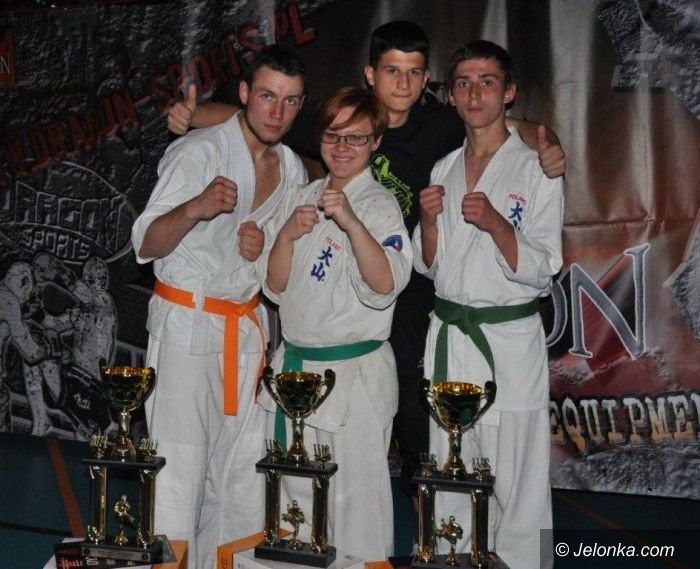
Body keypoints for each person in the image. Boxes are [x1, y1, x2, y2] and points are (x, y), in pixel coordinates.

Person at [166, 22, 566, 517]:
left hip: (415, 294)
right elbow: (258, 118)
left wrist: (545, 141)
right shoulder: (345, 119)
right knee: (378, 438)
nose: (403, 83)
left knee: (424, 424)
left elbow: (497, 120)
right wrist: (192, 115)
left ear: (427, 81)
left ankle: (425, 521)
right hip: (353, 297)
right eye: (392, 71)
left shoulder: (442, 123)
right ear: (371, 74)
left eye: (414, 72)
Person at [131, 45, 308, 569]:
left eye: (291, 101)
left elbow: (280, 265)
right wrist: (196, 207)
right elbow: (146, 242)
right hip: (188, 328)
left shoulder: (292, 169)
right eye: (268, 96)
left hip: (246, 331)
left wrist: (266, 246)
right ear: (245, 94)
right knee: (178, 475)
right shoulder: (199, 152)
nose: (277, 112)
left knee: (235, 482)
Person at [413, 41, 563, 569]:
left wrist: (498, 224)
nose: (474, 93)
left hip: (507, 340)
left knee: (519, 478)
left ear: (509, 92)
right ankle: (452, 559)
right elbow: (429, 266)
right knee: (451, 468)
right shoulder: (444, 167)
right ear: (451, 96)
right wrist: (428, 222)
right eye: (463, 83)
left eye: (487, 82)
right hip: (451, 337)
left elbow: (545, 266)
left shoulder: (537, 167)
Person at [260, 87, 412, 559]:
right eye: (332, 136)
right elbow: (275, 288)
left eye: (356, 137)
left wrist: (351, 223)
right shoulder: (303, 196)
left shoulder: (379, 205)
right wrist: (285, 236)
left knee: (356, 507)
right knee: (296, 502)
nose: (342, 147)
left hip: (353, 376)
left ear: (375, 142)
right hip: (295, 371)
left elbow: (386, 283)